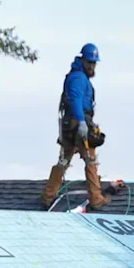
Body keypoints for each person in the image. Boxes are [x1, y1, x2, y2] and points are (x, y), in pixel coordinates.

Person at [41, 44, 107, 210]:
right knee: (90, 160)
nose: (92, 66)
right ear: (83, 60)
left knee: (64, 160)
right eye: (90, 62)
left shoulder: (77, 76)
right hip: (78, 124)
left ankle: (48, 196)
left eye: (94, 63)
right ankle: (96, 198)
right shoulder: (78, 78)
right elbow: (75, 100)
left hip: (72, 125)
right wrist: (82, 122)